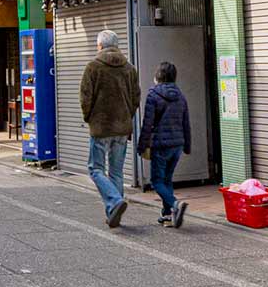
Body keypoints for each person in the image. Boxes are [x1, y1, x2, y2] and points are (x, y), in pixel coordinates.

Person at [80, 29, 140, 228]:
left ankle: (114, 202)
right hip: (122, 128)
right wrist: (126, 117)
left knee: (95, 169)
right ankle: (113, 212)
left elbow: (85, 98)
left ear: (99, 46)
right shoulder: (130, 68)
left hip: (101, 127)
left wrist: (89, 118)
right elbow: (135, 98)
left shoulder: (93, 67)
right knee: (116, 171)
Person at [138, 61, 191, 229]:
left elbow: (148, 124)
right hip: (177, 145)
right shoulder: (180, 96)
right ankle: (167, 214)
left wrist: (142, 145)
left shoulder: (153, 95)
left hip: (160, 145)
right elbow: (186, 123)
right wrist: (187, 145)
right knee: (167, 179)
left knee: (157, 181)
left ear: (158, 76)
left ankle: (175, 204)